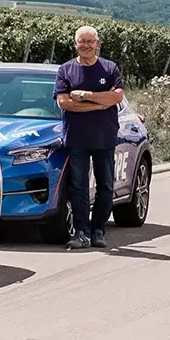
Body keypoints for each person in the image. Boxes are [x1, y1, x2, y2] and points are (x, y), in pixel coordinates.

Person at [56, 26, 126, 249]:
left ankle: (99, 230)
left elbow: (116, 97)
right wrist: (99, 104)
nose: (86, 45)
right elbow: (64, 103)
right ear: (75, 43)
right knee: (79, 187)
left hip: (104, 138)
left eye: (90, 41)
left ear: (98, 43)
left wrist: (85, 97)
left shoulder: (109, 68)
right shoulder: (66, 70)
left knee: (106, 186)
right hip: (76, 139)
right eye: (81, 41)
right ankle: (81, 232)